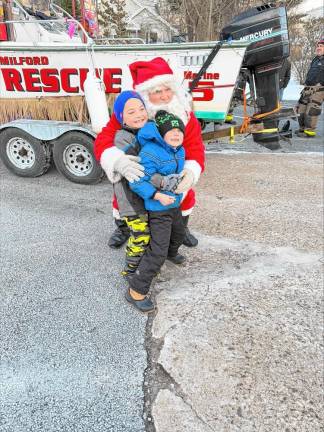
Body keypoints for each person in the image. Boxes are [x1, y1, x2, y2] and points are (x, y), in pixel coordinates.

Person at [94, 57, 205, 249]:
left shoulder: (185, 116)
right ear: (145, 94)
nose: (165, 96)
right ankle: (123, 228)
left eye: (168, 89)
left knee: (184, 197)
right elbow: (103, 139)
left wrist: (191, 171)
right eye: (157, 91)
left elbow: (196, 147)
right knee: (124, 197)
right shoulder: (133, 113)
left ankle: (180, 228)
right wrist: (117, 161)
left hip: (172, 173)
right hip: (140, 171)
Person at [108, 90, 183, 276]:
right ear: (121, 118)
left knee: (151, 231)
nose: (139, 114)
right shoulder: (122, 138)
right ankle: (131, 270)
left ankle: (149, 260)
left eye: (141, 108)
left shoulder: (149, 129)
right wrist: (163, 181)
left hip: (146, 195)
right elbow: (140, 170)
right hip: (131, 197)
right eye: (131, 112)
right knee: (141, 235)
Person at [125, 110, 187, 313]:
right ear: (161, 133)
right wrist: (157, 195)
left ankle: (172, 253)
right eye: (171, 131)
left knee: (179, 233)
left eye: (179, 130)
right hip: (158, 209)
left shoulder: (179, 149)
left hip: (175, 204)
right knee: (157, 251)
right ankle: (136, 290)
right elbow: (137, 181)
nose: (176, 134)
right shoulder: (150, 152)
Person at [295, 39, 324, 138]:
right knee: (301, 109)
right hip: (308, 88)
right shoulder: (315, 59)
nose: (319, 48)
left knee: (311, 110)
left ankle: (310, 131)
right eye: (318, 46)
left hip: (319, 90)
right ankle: (302, 129)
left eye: (321, 46)